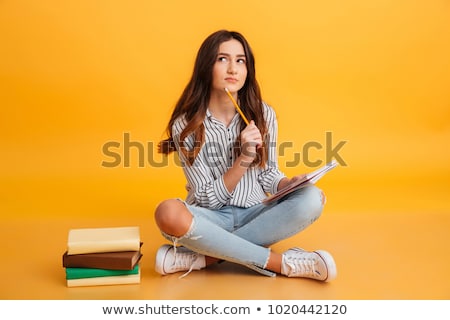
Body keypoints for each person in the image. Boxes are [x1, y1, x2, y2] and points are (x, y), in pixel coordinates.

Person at [154, 29, 337, 281]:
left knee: (312, 198)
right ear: (206, 66)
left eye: (240, 61)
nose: (233, 69)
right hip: (210, 218)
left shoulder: (263, 114)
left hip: (256, 213)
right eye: (222, 59)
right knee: (168, 213)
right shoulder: (186, 124)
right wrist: (243, 159)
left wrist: (288, 184)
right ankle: (280, 263)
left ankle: (206, 256)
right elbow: (207, 200)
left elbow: (269, 174)